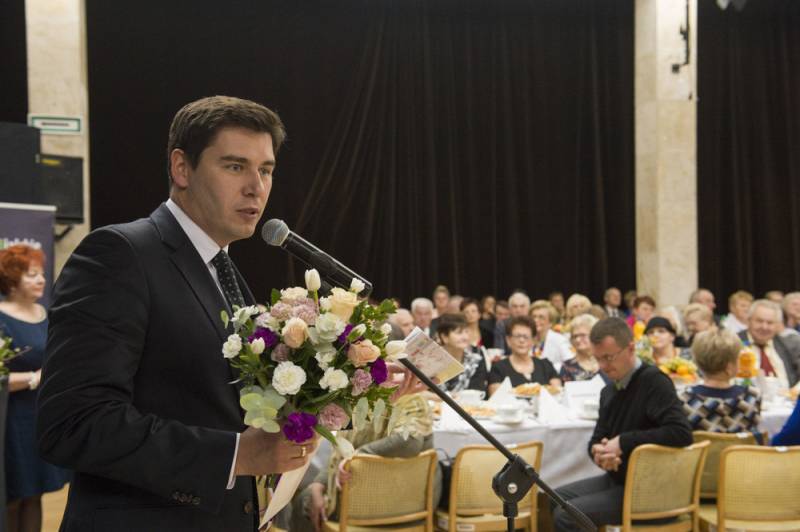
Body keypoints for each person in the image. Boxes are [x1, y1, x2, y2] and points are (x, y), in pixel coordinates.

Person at [35, 96, 432, 531]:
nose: (256, 187)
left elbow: (231, 404)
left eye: (266, 170)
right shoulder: (121, 255)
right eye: (235, 166)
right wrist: (236, 455)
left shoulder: (223, 270)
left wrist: (354, 396)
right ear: (181, 168)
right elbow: (72, 423)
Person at [552, 318, 692, 531]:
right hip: (621, 479)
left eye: (609, 357)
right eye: (598, 359)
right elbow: (597, 438)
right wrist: (600, 453)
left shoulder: (654, 381)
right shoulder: (608, 391)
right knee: (553, 497)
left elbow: (681, 433)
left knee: (567, 515)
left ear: (631, 349)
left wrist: (622, 442)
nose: (603, 366)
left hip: (653, 489)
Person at [291, 393, 441, 531]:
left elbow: (410, 441)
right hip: (414, 510)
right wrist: (318, 484)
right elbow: (340, 453)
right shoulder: (361, 402)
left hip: (376, 510)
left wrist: (356, 457)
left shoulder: (411, 401)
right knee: (311, 495)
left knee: (304, 501)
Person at [0, 245, 69, 532]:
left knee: (35, 492)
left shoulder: (45, 313)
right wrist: (34, 378)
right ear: (12, 279)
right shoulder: (1, 317)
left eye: (41, 274)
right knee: (13, 496)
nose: (41, 280)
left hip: (40, 415)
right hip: (10, 419)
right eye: (32, 275)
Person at [679, 329, 761, 434]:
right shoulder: (752, 396)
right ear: (729, 366)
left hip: (704, 445)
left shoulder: (685, 399)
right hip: (740, 445)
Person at [488, 316, 560, 396]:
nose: (521, 340)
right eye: (517, 336)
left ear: (533, 341)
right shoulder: (498, 368)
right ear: (508, 340)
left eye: (526, 337)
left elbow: (558, 393)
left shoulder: (545, 365)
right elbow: (496, 398)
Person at [737, 299, 800, 389]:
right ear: (748, 320)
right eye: (759, 321)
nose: (764, 327)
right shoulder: (734, 343)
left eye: (770, 323)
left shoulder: (788, 345)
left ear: (777, 325)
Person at [434, 313, 489, 393]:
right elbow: (423, 392)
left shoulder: (476, 354)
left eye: (466, 332)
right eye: (459, 333)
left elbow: (477, 389)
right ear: (444, 337)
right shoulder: (431, 358)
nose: (465, 337)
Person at [529, 300, 573, 372]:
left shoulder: (559, 340)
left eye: (541, 317)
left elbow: (570, 363)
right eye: (533, 317)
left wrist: (547, 369)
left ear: (550, 322)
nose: (536, 320)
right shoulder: (526, 339)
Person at [559, 314, 601, 382]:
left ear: (594, 335)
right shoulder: (567, 366)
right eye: (575, 336)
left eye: (582, 335)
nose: (577, 340)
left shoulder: (605, 362)